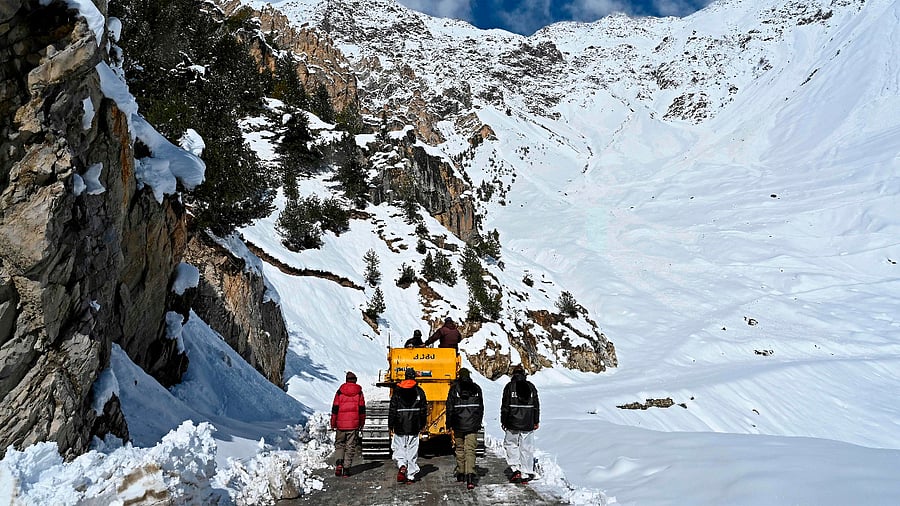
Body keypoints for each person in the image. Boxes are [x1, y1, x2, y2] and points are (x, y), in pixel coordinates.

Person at [500, 364, 540, 484]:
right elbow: (536, 406)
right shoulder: (531, 387)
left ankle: (515, 467)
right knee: (527, 448)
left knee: (510, 444)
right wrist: (536, 421)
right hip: (528, 422)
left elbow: (505, 407)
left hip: (512, 423)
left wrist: (504, 421)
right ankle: (525, 473)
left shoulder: (509, 387)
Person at [446, 367, 484, 490]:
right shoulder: (477, 389)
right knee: (470, 449)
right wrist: (478, 422)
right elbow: (480, 408)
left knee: (460, 448)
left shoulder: (454, 389)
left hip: (458, 424)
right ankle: (470, 475)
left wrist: (449, 423)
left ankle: (461, 472)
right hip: (472, 424)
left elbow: (450, 408)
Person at [389, 368, 428, 484]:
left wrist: (391, 423)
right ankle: (411, 476)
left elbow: (392, 409)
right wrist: (422, 424)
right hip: (414, 425)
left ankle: (402, 465)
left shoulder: (397, 391)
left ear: (405, 376)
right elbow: (423, 410)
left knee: (399, 447)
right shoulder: (419, 391)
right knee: (412, 450)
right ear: (414, 377)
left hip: (400, 425)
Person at [330, 371, 366, 477]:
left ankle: (339, 464)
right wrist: (361, 423)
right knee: (350, 446)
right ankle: (346, 469)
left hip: (340, 424)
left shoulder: (340, 392)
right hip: (353, 424)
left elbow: (335, 409)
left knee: (339, 444)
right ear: (355, 380)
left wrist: (333, 423)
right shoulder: (359, 392)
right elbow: (362, 410)